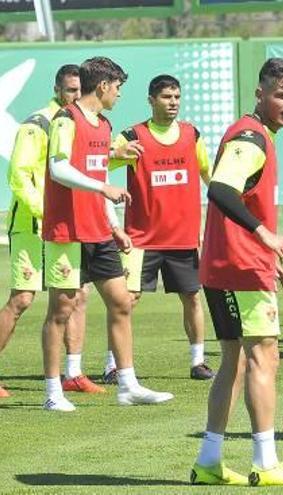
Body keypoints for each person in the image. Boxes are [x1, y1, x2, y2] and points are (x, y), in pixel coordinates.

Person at [191, 58, 283, 487]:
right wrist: (263, 235)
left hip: (235, 265)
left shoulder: (257, 133)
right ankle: (266, 462)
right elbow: (222, 189)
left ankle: (208, 460)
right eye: (282, 95)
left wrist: (263, 256)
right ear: (260, 94)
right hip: (239, 268)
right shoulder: (251, 136)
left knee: (236, 360)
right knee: (264, 355)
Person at [42, 56, 173, 411]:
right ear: (102, 86)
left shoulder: (103, 126)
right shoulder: (65, 119)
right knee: (61, 310)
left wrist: (113, 224)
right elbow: (58, 169)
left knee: (120, 301)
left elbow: (99, 177)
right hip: (67, 231)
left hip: (98, 230)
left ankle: (127, 385)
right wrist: (103, 191)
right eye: (117, 87)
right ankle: (53, 392)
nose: (118, 94)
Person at [0, 65, 101, 398]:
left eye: (79, 90)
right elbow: (19, 176)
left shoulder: (76, 123)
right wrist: (45, 213)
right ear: (58, 89)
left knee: (76, 295)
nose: (75, 96)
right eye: (70, 90)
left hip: (64, 225)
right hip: (33, 225)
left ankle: (72, 373)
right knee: (22, 299)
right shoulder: (38, 124)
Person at [110, 74, 214, 380]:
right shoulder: (132, 135)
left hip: (182, 238)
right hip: (141, 239)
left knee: (192, 297)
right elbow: (98, 163)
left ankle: (198, 362)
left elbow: (210, 175)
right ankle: (113, 364)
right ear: (151, 100)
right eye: (167, 97)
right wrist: (116, 154)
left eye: (177, 97)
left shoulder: (191, 135)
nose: (173, 103)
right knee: (125, 301)